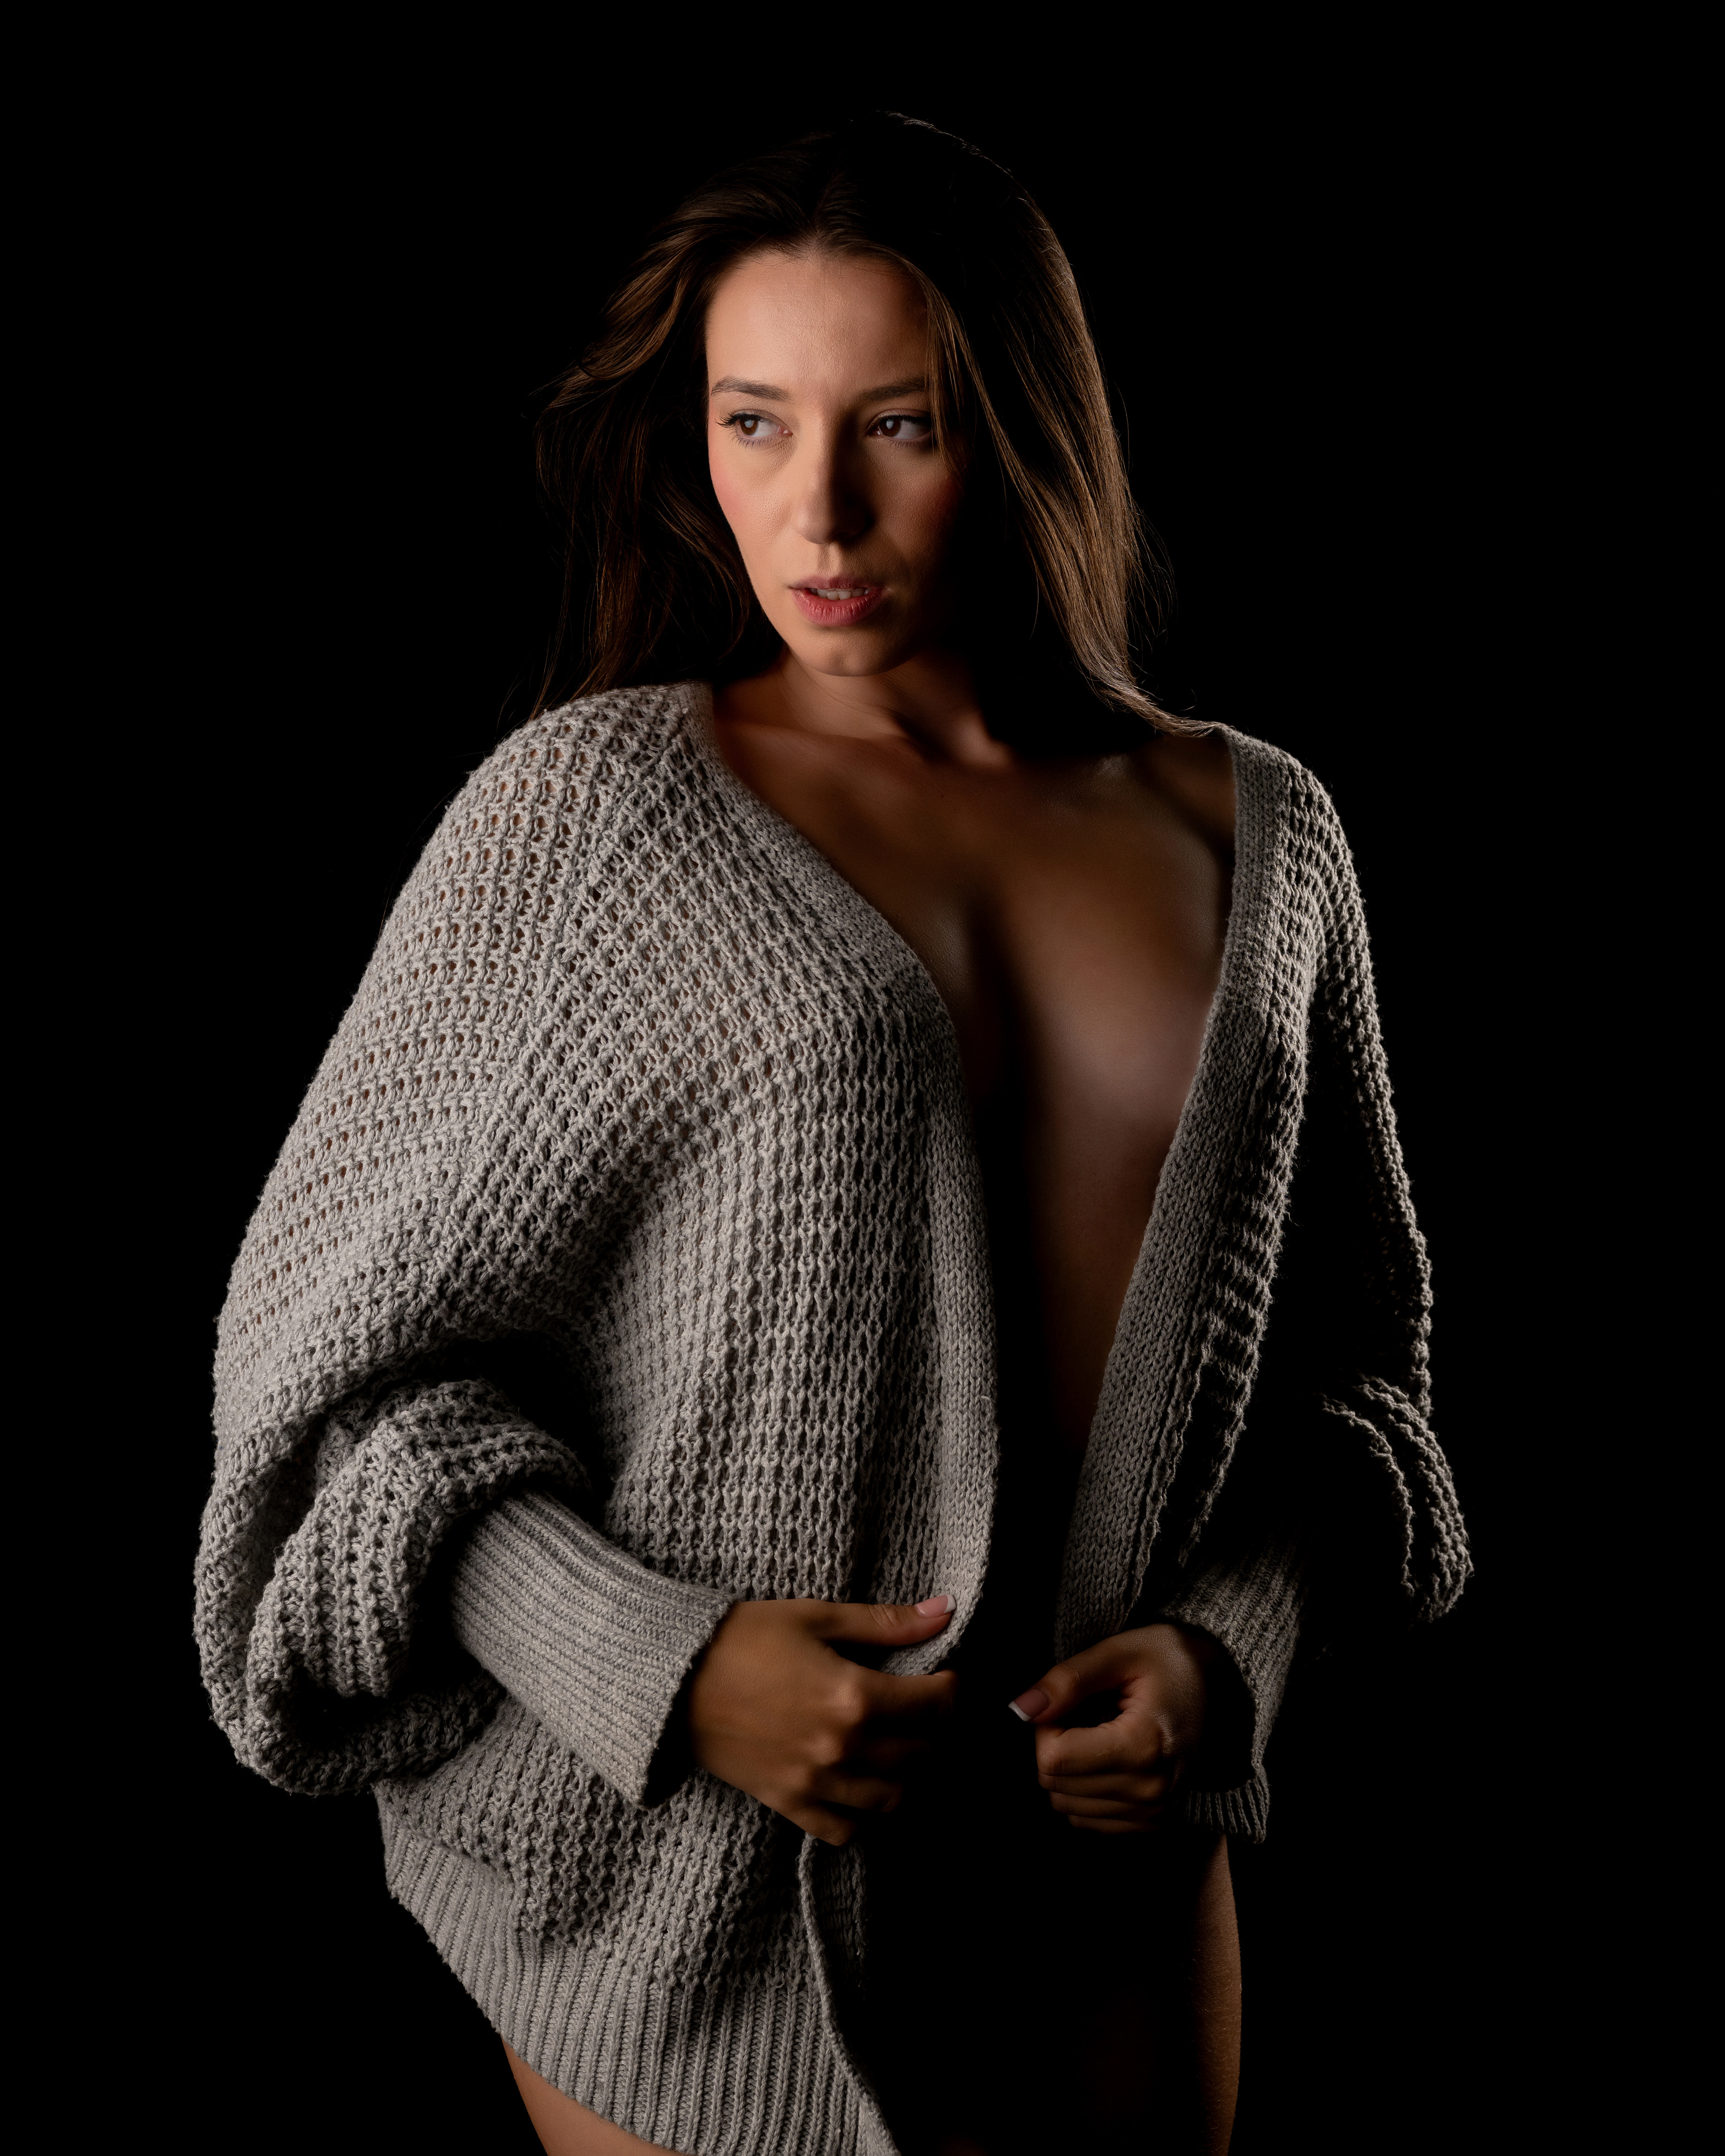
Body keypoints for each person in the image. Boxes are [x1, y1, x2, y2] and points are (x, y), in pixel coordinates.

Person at [195, 113, 1470, 2156]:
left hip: (1122, 1910)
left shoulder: (1266, 836)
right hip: (701, 1916)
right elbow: (332, 1390)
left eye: (897, 424)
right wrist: (667, 1665)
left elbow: (1359, 1395)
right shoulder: (593, 820)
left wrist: (1228, 1653)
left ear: (1026, 430)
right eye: (753, 423)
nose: (820, 512)